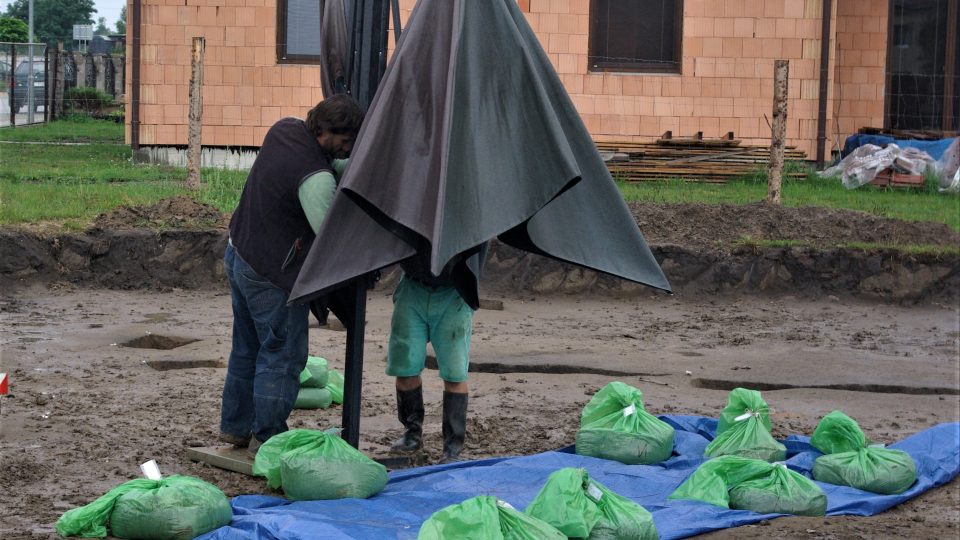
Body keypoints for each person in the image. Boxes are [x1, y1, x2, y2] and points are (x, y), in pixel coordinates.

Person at [219, 94, 364, 456]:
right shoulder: (315, 179)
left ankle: (235, 428)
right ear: (325, 132)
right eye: (345, 142)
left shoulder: (284, 130)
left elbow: (319, 169)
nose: (347, 150)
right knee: (282, 356)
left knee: (247, 349)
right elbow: (328, 236)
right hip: (272, 273)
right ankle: (267, 438)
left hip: (239, 253)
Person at [387, 245, 486, 463]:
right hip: (413, 285)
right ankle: (412, 433)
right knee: (405, 367)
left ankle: (452, 447)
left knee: (455, 373)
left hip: (454, 291)